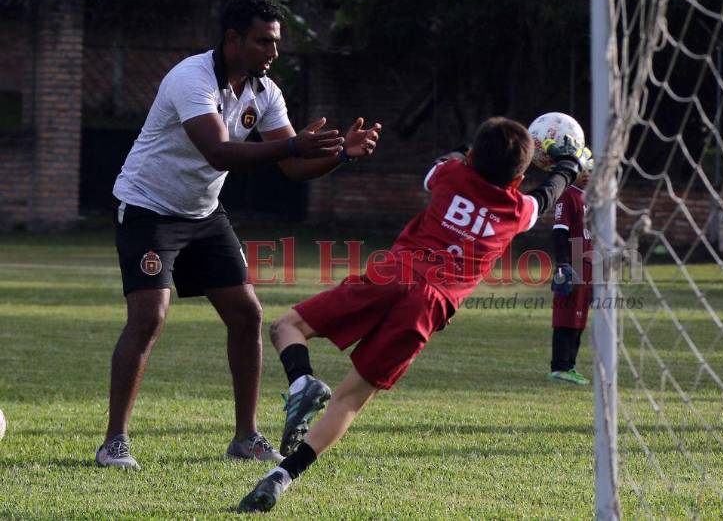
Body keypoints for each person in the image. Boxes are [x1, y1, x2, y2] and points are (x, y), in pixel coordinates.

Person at [237, 117, 592, 512]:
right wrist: (569, 164)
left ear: (472, 156)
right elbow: (547, 195)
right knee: (351, 398)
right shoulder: (516, 210)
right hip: (431, 304)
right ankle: (281, 477)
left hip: (395, 273)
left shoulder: (451, 175)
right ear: (521, 173)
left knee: (288, 326)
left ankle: (302, 381)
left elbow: (445, 161)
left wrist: (467, 149)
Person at [96, 0, 381, 469]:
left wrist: (341, 156)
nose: (273, 51)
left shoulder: (264, 91)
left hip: (204, 214)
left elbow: (293, 168)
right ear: (232, 40)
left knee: (247, 314)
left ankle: (246, 437)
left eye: (276, 42)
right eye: (263, 41)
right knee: (149, 317)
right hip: (149, 208)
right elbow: (220, 152)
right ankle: (114, 443)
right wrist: (294, 147)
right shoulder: (191, 78)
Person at [547, 165, 593, 385]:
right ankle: (559, 367)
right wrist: (563, 263)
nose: (589, 176)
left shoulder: (592, 199)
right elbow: (559, 230)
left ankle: (571, 366)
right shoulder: (568, 196)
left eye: (593, 172)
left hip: (590, 265)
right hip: (574, 263)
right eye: (585, 171)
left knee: (579, 318)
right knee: (566, 315)